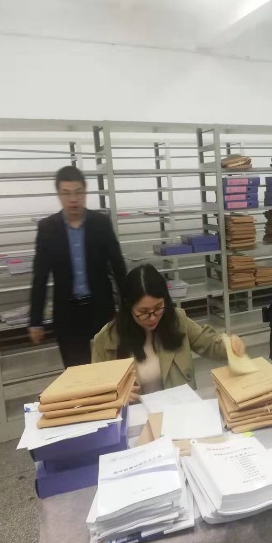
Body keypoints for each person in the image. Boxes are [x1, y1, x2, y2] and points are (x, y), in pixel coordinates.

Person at [92, 264, 246, 396]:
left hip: (179, 411)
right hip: (135, 416)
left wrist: (229, 345)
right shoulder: (106, 341)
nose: (152, 317)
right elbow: (94, 390)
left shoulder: (177, 321)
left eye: (158, 307)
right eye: (143, 312)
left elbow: (209, 343)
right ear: (127, 307)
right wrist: (115, 394)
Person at [29, 165, 126, 367]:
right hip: (67, 315)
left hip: (101, 309)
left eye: (78, 192)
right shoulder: (47, 228)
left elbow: (118, 267)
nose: (73, 199)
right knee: (78, 375)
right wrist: (36, 321)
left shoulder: (101, 223)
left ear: (85, 192)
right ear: (59, 194)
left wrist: (129, 308)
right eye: (66, 193)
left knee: (112, 370)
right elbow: (40, 277)